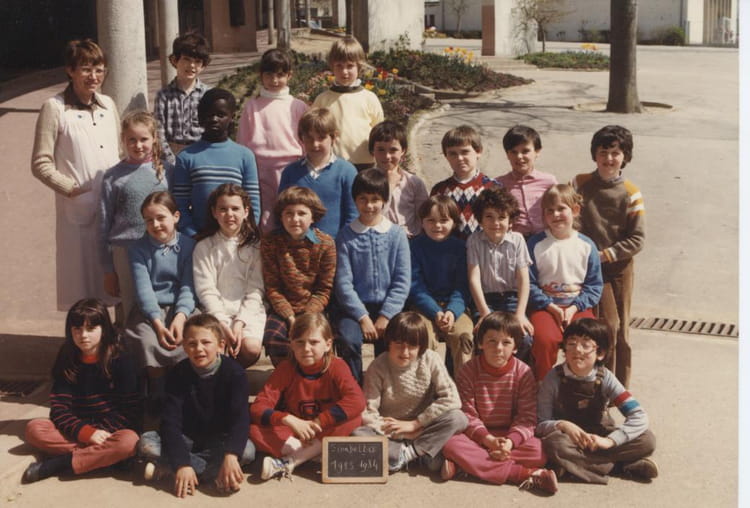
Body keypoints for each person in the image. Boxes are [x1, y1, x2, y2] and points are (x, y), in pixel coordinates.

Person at [31, 39, 121, 310]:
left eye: (99, 70)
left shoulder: (108, 105)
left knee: (113, 278)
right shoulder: (55, 107)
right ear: (70, 70)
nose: (94, 76)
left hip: (112, 205)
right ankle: (83, 334)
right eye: (86, 69)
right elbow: (40, 162)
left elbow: (118, 150)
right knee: (82, 284)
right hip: (78, 209)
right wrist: (71, 189)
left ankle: (111, 334)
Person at [23, 299, 140, 484]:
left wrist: (100, 433)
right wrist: (86, 433)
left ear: (104, 329)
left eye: (91, 329)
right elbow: (59, 408)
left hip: (110, 431)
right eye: (77, 329)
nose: (83, 335)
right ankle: (104, 459)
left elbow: (129, 410)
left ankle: (58, 464)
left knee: (129, 442)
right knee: (34, 429)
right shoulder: (67, 356)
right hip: (77, 429)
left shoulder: (121, 358)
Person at [138, 313, 255, 497]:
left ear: (221, 345)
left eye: (206, 342)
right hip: (188, 438)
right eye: (192, 344)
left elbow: (240, 419)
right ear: (184, 347)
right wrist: (183, 463)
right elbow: (170, 423)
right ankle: (208, 473)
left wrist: (231, 455)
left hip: (218, 439)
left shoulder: (235, 374)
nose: (199, 349)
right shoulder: (178, 374)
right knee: (147, 442)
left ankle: (169, 467)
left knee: (247, 451)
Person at [442, 312, 557, 494]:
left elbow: (527, 417)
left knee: (539, 452)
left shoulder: (524, 373)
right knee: (450, 443)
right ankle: (524, 473)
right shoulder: (468, 371)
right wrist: (488, 440)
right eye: (491, 341)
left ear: (515, 347)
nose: (498, 348)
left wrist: (509, 443)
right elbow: (468, 414)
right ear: (480, 343)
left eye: (506, 343)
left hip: (509, 437)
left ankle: (466, 466)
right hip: (478, 436)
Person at [537, 318, 657, 484]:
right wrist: (562, 425)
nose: (577, 350)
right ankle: (621, 467)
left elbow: (639, 415)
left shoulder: (606, 378)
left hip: (599, 436)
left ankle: (573, 465)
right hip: (569, 440)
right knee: (553, 444)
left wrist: (610, 441)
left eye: (586, 345)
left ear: (600, 353)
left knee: (647, 440)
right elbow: (540, 423)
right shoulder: (553, 378)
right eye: (571, 343)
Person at [250, 313, 365, 481]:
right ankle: (314, 454)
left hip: (325, 429)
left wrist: (319, 422)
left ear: (328, 344)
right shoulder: (286, 368)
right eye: (300, 342)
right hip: (297, 432)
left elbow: (357, 400)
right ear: (291, 344)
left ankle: (290, 461)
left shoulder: (337, 366)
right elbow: (258, 407)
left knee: (354, 418)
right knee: (253, 430)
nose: (306, 348)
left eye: (314, 342)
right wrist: (288, 419)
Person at [572, 125, 645, 389]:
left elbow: (637, 238)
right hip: (590, 267)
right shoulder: (580, 183)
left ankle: (620, 389)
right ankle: (600, 384)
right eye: (603, 152)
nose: (609, 158)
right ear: (595, 154)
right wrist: (586, 252)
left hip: (619, 268)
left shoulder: (631, 192)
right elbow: (572, 220)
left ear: (625, 157)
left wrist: (609, 254)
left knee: (622, 330)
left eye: (616, 153)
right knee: (607, 326)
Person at [352, 311, 467, 473]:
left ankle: (406, 455)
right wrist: (400, 433)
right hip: (390, 431)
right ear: (389, 342)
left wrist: (415, 425)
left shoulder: (431, 359)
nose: (405, 352)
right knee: (358, 434)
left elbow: (452, 399)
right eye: (399, 344)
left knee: (458, 418)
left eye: (412, 346)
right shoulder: (378, 367)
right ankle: (420, 455)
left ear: (421, 346)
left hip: (422, 428)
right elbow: (368, 413)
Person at [334, 168, 411, 383]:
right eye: (363, 199)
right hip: (353, 310)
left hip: (388, 308)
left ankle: (384, 387)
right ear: (355, 200)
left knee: (393, 340)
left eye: (375, 199)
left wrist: (386, 316)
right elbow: (343, 283)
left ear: (384, 200)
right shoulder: (345, 236)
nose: (369, 205)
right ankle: (353, 388)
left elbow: (402, 281)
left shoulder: (397, 235)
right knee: (348, 339)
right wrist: (363, 317)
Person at [99, 111, 170, 325]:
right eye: (132, 140)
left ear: (154, 138)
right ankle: (130, 343)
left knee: (158, 304)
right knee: (131, 306)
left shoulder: (167, 172)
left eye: (144, 139)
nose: (138, 145)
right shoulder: (112, 176)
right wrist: (108, 270)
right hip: (125, 251)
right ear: (123, 140)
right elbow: (103, 224)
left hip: (160, 249)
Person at [527, 184, 603, 381]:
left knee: (586, 340)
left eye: (561, 209)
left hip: (577, 307)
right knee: (545, 340)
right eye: (549, 210)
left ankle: (581, 383)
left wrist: (574, 308)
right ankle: (544, 384)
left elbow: (594, 286)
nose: (556, 215)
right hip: (545, 307)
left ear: (575, 210)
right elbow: (529, 283)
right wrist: (550, 306)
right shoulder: (536, 244)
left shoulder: (586, 245)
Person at [125, 192, 196, 400]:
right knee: (147, 342)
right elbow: (144, 290)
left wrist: (180, 318)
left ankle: (184, 394)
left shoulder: (189, 246)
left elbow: (188, 286)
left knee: (191, 340)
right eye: (149, 220)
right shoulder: (138, 249)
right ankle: (157, 393)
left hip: (183, 309)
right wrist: (157, 324)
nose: (155, 225)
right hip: (149, 312)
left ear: (176, 217)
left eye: (161, 218)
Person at [261, 186, 336, 366]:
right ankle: (287, 375)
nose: (295, 219)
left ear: (313, 216)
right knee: (274, 338)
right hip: (282, 309)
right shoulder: (271, 242)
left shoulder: (325, 244)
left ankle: (314, 374)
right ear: (281, 216)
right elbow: (272, 287)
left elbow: (324, 289)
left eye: (302, 213)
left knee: (315, 339)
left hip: (313, 307)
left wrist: (306, 317)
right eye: (289, 213)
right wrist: (290, 317)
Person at [171, 88, 260, 237]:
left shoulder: (245, 156)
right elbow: (180, 204)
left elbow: (253, 203)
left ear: (232, 117)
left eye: (221, 115)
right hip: (199, 238)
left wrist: (244, 234)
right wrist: (193, 235)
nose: (214, 119)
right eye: (209, 114)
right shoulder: (186, 157)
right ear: (200, 117)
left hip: (236, 238)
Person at [193, 184, 265, 368]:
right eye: (223, 209)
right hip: (214, 312)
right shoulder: (204, 247)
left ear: (246, 212)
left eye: (235, 209)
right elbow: (206, 290)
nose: (229, 214)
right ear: (214, 212)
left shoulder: (256, 247)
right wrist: (222, 323)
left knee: (250, 348)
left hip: (248, 312)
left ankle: (232, 372)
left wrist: (240, 322)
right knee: (217, 349)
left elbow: (256, 289)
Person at [237, 48, 308, 232]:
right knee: (265, 215)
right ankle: (267, 248)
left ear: (289, 75)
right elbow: (243, 142)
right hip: (261, 170)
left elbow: (305, 139)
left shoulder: (298, 106)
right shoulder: (252, 106)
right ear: (261, 75)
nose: (275, 80)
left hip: (292, 168)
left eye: (280, 75)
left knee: (292, 211)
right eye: (269, 75)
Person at [467, 186, 534, 364]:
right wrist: (484, 313)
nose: (495, 223)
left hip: (511, 299)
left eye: (502, 217)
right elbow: (474, 279)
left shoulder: (517, 240)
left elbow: (523, 279)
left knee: (524, 338)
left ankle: (513, 373)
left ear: (510, 220)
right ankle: (486, 374)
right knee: (483, 337)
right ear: (480, 219)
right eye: (489, 216)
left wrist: (520, 313)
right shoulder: (474, 241)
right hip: (485, 301)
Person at [409, 196, 474, 373]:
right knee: (423, 337)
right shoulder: (415, 247)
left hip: (455, 308)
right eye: (431, 220)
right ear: (422, 222)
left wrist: (452, 311)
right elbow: (415, 286)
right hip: (423, 308)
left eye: (444, 220)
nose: (437, 226)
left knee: (464, 337)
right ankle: (426, 385)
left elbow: (463, 285)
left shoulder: (461, 248)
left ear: (454, 223)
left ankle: (463, 385)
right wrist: (435, 311)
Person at [278, 107, 358, 238]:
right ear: (301, 138)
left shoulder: (346, 172)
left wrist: (342, 243)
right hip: (296, 246)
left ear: (334, 137)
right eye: (309, 138)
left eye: (321, 138)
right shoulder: (290, 172)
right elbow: (281, 212)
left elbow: (353, 215)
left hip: (335, 245)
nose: (315, 144)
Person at [312, 35, 384, 170]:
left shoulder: (369, 98)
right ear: (332, 67)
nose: (344, 72)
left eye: (350, 66)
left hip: (364, 162)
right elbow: (314, 130)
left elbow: (380, 131)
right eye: (339, 66)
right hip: (333, 163)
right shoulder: (322, 99)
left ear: (359, 67)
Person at [153, 32, 211, 165]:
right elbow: (159, 132)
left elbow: (211, 130)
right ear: (174, 60)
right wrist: (172, 161)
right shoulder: (163, 95)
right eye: (186, 59)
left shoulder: (208, 94)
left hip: (201, 155)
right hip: (172, 156)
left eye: (197, 61)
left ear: (203, 65)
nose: (192, 65)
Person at [430, 125, 496, 239]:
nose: (459, 158)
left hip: (483, 247)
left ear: (478, 152)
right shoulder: (440, 190)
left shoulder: (492, 188)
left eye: (465, 152)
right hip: (450, 248)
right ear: (446, 156)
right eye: (453, 153)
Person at [495, 125, 558, 238]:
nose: (519, 156)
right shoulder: (499, 184)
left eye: (525, 151)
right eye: (514, 152)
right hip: (515, 239)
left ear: (537, 151)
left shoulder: (549, 182)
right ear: (507, 154)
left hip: (545, 238)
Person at [369, 120, 428, 237]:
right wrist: (389, 186)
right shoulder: (367, 181)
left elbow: (424, 215)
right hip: (380, 238)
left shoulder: (414, 182)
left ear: (403, 151)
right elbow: (372, 216)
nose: (387, 156)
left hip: (410, 239)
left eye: (393, 150)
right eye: (381, 150)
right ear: (372, 151)